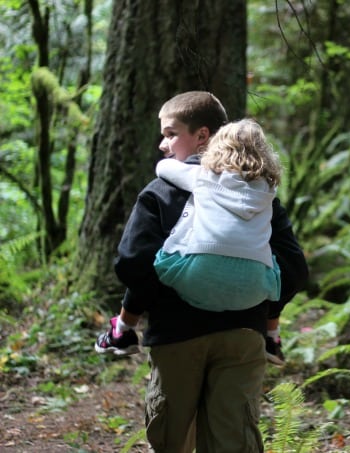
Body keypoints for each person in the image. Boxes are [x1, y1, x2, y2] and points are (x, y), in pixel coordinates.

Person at [93, 91, 308, 452]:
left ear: (204, 135)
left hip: (178, 334)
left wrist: (152, 303)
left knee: (173, 438)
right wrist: (266, 311)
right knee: (234, 438)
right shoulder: (260, 195)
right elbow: (294, 269)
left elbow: (133, 263)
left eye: (170, 134)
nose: (163, 145)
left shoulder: (160, 192)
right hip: (245, 332)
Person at [153, 119, 282, 313]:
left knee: (163, 258)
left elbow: (163, 168)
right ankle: (273, 332)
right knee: (271, 257)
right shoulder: (267, 190)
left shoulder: (203, 176)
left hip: (198, 278)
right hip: (254, 291)